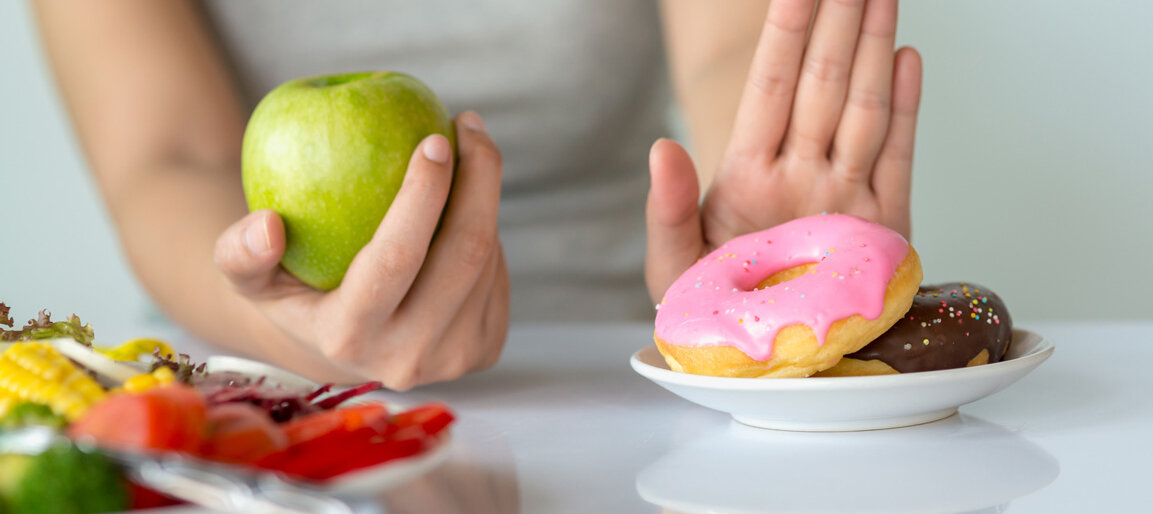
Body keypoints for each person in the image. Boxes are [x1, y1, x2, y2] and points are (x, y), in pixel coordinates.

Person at [32, 0, 920, 389]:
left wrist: (764, 241)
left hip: (618, 378)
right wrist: (289, 332)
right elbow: (166, 157)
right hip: (255, 397)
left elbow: (733, 50)